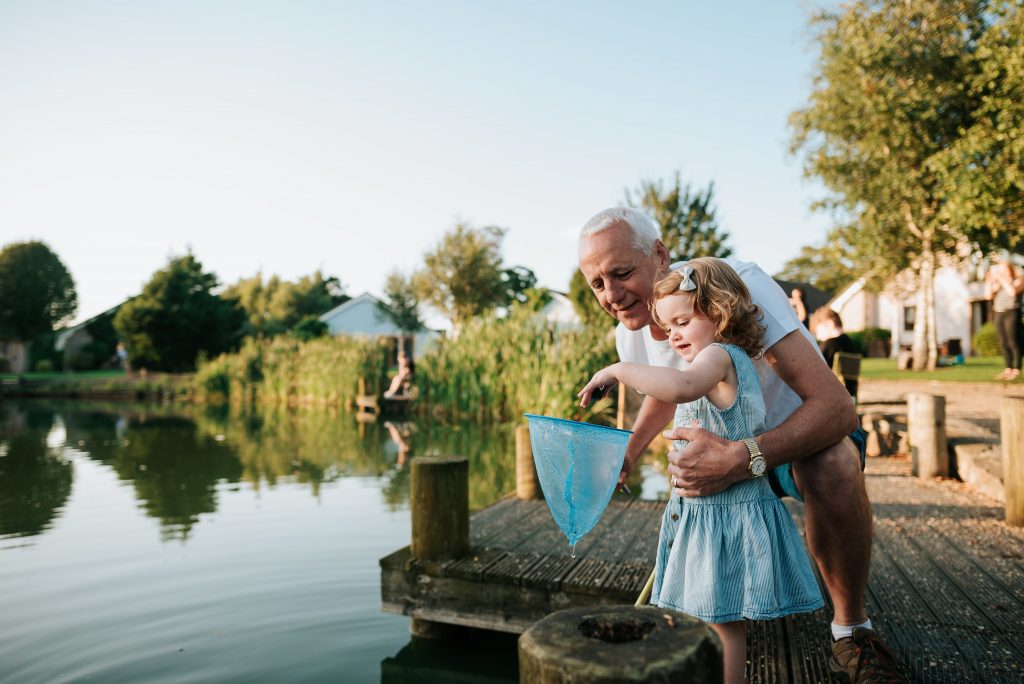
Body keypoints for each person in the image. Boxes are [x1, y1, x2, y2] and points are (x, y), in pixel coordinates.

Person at [577, 207, 907, 683]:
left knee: (831, 463)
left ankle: (851, 630)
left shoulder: (731, 287)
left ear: (659, 255)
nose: (611, 294)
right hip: (724, 453)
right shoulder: (629, 334)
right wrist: (630, 452)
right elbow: (668, 391)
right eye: (596, 284)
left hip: (797, 438)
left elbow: (837, 408)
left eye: (621, 273)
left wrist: (741, 457)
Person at [579, 259, 824, 683]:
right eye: (666, 325)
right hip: (711, 510)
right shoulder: (721, 360)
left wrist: (616, 370)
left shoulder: (717, 356)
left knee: (725, 618)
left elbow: (679, 388)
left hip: (725, 511)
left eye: (683, 320)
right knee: (712, 613)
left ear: (719, 312)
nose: (672, 334)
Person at [985, 254, 1022, 381]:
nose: (1002, 273)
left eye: (1004, 270)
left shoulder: (1019, 280)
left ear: (1010, 270)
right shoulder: (999, 284)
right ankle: (1008, 368)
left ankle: (1016, 369)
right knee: (1003, 342)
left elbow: (1012, 292)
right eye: (1000, 271)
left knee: (1013, 341)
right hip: (999, 312)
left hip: (1011, 312)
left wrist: (1001, 278)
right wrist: (990, 281)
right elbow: (988, 296)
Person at [816, 310, 861, 397]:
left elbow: (816, 373)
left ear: (830, 323)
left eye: (818, 327)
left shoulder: (829, 345)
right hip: (851, 393)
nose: (817, 332)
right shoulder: (851, 343)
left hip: (831, 394)